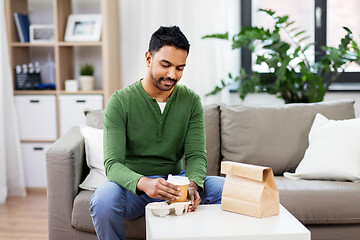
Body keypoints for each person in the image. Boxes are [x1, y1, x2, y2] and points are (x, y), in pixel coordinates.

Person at [90, 25, 225, 240]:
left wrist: (192, 184)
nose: (172, 75)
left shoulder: (191, 101)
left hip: (175, 184)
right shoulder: (120, 101)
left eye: (180, 68)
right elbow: (112, 164)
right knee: (103, 200)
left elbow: (196, 155)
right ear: (148, 59)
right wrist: (145, 183)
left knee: (230, 190)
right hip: (135, 188)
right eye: (166, 65)